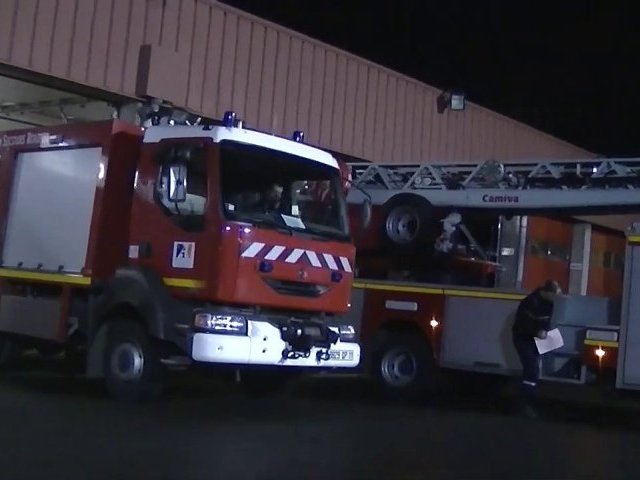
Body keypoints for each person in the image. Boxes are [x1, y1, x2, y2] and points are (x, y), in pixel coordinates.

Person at [511, 279, 562, 418]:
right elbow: (522, 324)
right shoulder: (529, 302)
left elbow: (546, 321)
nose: (555, 299)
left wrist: (544, 331)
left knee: (533, 371)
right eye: (554, 295)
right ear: (547, 292)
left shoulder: (549, 303)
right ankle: (524, 405)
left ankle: (528, 403)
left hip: (535, 340)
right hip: (524, 340)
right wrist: (537, 332)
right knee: (532, 371)